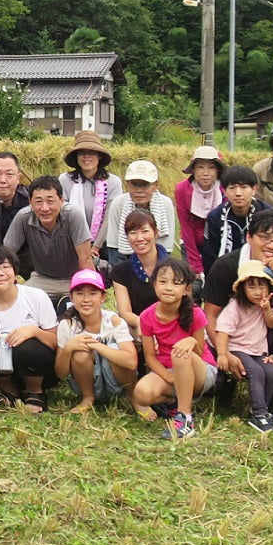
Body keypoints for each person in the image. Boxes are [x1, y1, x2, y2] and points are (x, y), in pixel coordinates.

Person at [200, 212, 273, 417]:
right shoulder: (228, 265)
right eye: (264, 238)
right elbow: (209, 316)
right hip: (229, 336)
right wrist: (224, 353)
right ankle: (225, 384)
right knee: (220, 376)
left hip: (263, 334)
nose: (272, 246)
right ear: (249, 237)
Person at [132, 258, 218, 439]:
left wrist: (191, 342)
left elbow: (200, 352)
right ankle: (173, 403)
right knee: (142, 393)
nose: (168, 288)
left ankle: (185, 418)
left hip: (201, 370)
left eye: (176, 283)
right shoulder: (147, 316)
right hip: (170, 369)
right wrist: (168, 376)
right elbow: (150, 358)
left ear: (186, 289)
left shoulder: (195, 313)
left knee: (179, 353)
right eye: (163, 282)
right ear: (154, 285)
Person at [0, 246, 58, 414]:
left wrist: (34, 332)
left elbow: (56, 342)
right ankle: (11, 391)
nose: (0, 273)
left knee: (28, 345)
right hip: (3, 370)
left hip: (40, 371)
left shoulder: (36, 297)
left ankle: (35, 392)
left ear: (15, 274)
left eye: (5, 267)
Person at [214, 260, 273, 433]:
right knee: (256, 372)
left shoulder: (266, 306)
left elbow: (272, 323)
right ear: (242, 289)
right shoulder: (235, 306)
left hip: (258, 351)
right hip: (237, 349)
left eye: (262, 286)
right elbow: (223, 331)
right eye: (252, 287)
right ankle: (259, 413)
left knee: (272, 372)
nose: (257, 292)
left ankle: (261, 408)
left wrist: (266, 309)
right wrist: (222, 354)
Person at [54, 269, 136, 413]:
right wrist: (68, 348)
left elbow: (131, 361)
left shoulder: (114, 321)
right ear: (71, 298)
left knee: (116, 350)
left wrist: (97, 346)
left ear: (103, 297)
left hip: (116, 379)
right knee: (79, 353)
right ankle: (88, 397)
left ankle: (134, 397)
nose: (86, 299)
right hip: (86, 379)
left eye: (93, 293)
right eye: (80, 294)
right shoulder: (67, 325)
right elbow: (60, 373)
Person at [2, 175, 92, 302]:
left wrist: (88, 289)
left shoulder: (73, 215)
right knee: (20, 300)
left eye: (50, 201)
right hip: (42, 278)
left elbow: (86, 258)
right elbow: (6, 254)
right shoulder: (23, 217)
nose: (45, 208)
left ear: (61, 200)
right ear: (30, 202)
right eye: (38, 201)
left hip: (74, 277)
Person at [110, 210, 171, 340]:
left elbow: (184, 306)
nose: (139, 238)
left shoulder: (174, 268)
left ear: (156, 233)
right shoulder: (120, 271)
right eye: (133, 233)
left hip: (170, 327)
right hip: (137, 329)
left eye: (145, 231)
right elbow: (125, 312)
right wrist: (143, 323)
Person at [201, 165, 273, 273]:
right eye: (232, 188)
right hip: (225, 271)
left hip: (261, 270)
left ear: (254, 189)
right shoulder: (215, 217)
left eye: (244, 187)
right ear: (224, 191)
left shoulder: (268, 215)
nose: (238, 193)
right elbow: (209, 255)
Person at [101, 160, 175, 265]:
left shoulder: (165, 204)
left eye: (145, 185)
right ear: (127, 184)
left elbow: (165, 247)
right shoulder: (118, 204)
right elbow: (114, 246)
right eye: (134, 184)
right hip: (124, 258)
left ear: (155, 185)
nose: (139, 190)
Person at [58, 130, 123, 247]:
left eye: (91, 152)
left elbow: (109, 218)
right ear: (76, 156)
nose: (86, 156)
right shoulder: (65, 180)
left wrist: (96, 246)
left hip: (105, 244)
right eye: (82, 152)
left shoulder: (113, 182)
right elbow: (63, 214)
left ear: (99, 156)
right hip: (72, 242)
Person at [173, 146, 224, 279]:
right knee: (193, 282)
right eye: (200, 167)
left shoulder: (225, 189)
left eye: (211, 167)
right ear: (193, 170)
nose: (205, 173)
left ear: (218, 170)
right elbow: (186, 226)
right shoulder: (182, 189)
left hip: (219, 243)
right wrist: (196, 264)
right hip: (191, 243)